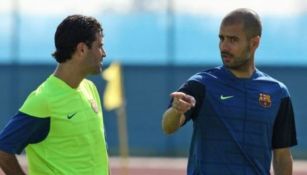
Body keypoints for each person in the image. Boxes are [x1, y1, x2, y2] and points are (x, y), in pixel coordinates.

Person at [162, 8, 297, 175]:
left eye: (233, 40)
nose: (224, 46)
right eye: (221, 38)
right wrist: (176, 110)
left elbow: (282, 155)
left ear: (254, 43)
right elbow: (168, 126)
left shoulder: (278, 93)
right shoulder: (201, 84)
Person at [0, 15, 109, 175]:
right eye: (99, 46)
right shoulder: (43, 100)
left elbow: (98, 154)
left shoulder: (90, 88)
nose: (104, 53)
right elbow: (3, 151)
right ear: (82, 49)